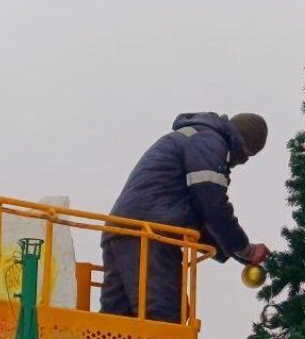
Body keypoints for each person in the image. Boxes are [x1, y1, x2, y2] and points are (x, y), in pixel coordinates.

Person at [100, 112, 270, 323]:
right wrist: (246, 248)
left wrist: (238, 253)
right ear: (243, 143)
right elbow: (211, 203)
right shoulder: (209, 142)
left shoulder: (191, 137)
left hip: (121, 231)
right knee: (165, 318)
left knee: (116, 321)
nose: (241, 161)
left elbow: (200, 216)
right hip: (151, 236)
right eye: (247, 155)